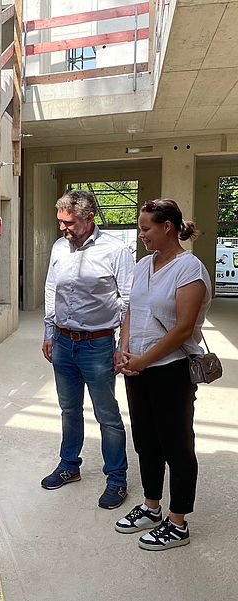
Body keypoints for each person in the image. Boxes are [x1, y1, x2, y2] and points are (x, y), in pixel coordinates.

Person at [114, 199, 211, 551]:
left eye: (146, 229)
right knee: (146, 441)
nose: (141, 235)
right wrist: (124, 351)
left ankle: (178, 521)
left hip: (171, 371)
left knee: (177, 445)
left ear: (167, 227)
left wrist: (143, 360)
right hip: (136, 368)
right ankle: (151, 506)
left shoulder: (189, 269)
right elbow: (130, 311)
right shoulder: (143, 265)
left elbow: (184, 328)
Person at [41, 189, 134, 509]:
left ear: (89, 218)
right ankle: (69, 466)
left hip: (98, 344)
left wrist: (122, 346)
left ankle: (117, 479)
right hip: (63, 343)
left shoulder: (116, 250)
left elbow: (128, 302)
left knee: (106, 414)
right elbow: (51, 287)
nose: (62, 229)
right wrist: (49, 331)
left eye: (68, 223)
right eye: (60, 222)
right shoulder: (58, 247)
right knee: (69, 410)